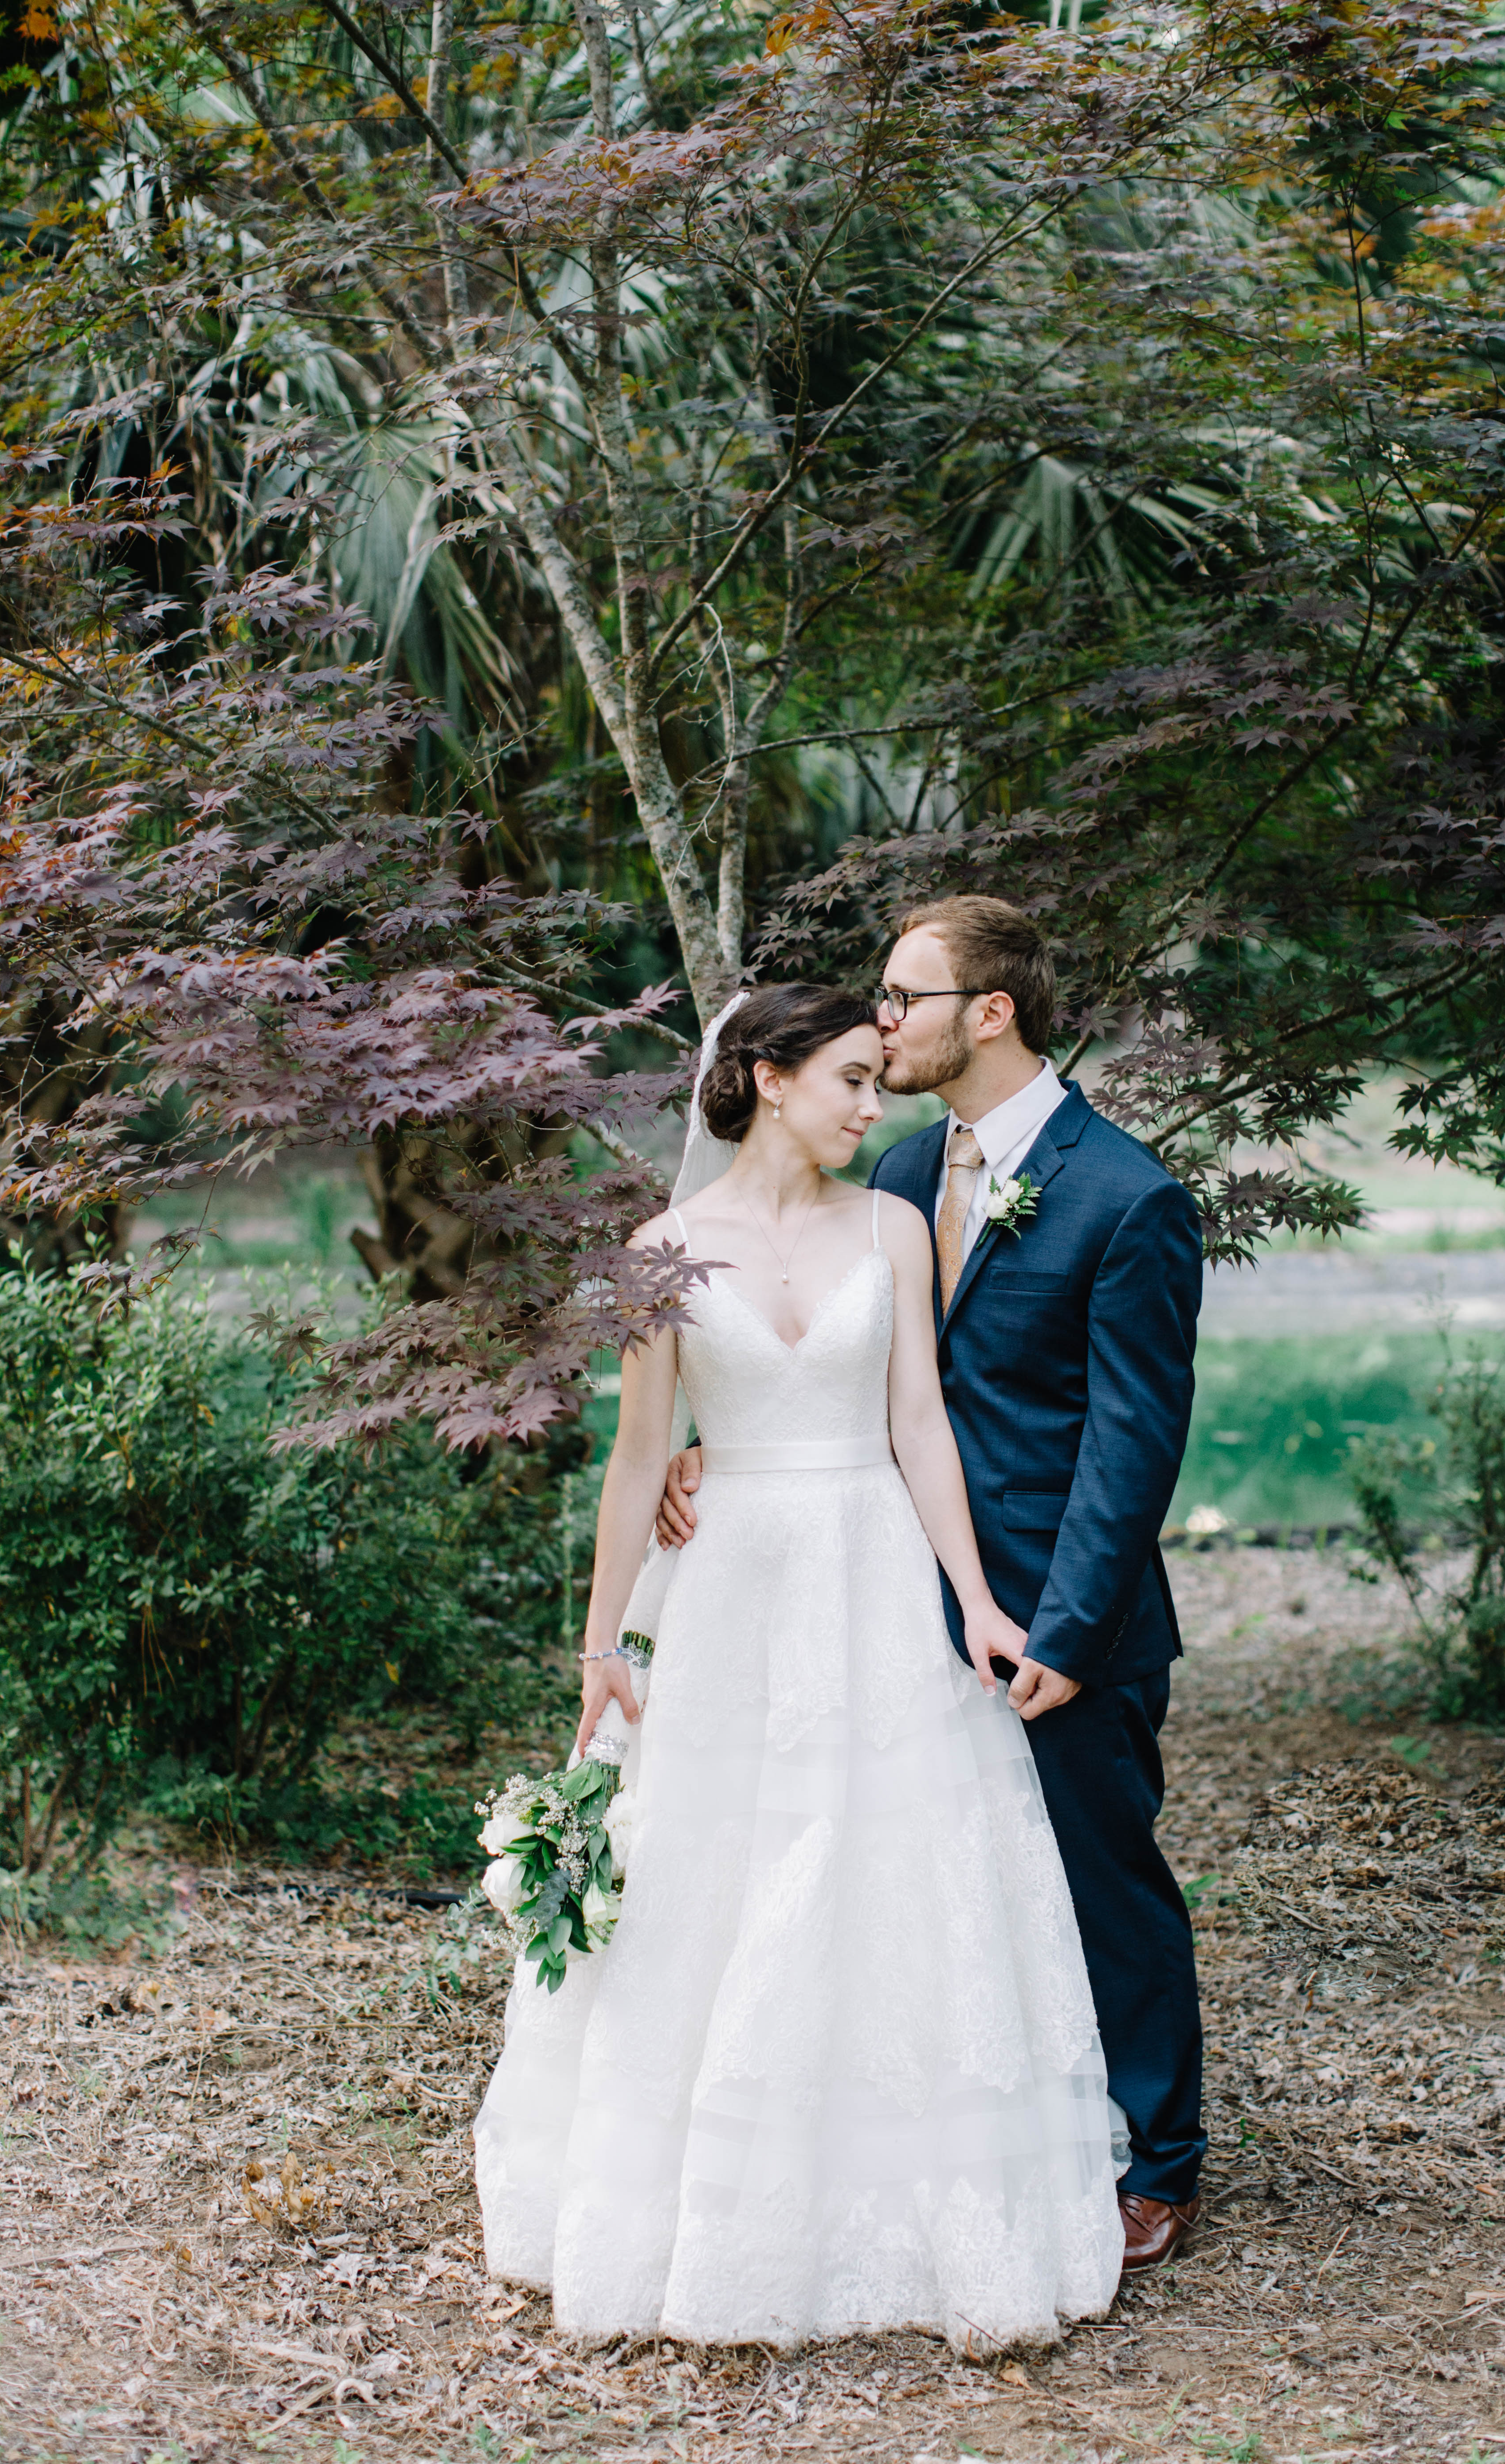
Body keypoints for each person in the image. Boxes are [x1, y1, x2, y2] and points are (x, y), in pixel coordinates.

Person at [474, 984, 1125, 2346]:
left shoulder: (891, 1225)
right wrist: (603, 1642)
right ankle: (710, 2194)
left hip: (871, 1569)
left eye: (873, 1081)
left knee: (885, 1866)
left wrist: (978, 1603)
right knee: (722, 1862)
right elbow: (639, 1454)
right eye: (846, 1079)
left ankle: (886, 2188)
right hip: (726, 1587)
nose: (869, 1105)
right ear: (767, 1078)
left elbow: (921, 1427)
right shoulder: (657, 1250)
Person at [658, 902, 1206, 2272]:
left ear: (992, 1011)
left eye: (903, 997)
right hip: (897, 1599)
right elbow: (837, 1363)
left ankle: (1158, 2160)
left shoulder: (1125, 1197)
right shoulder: (898, 1177)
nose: (880, 1020)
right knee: (951, 1889)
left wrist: (1068, 1633)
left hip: (1061, 1612)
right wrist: (707, 1445)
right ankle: (979, 2134)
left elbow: (1132, 1447)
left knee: (1098, 1884)